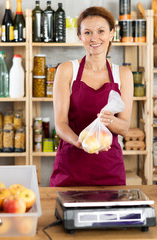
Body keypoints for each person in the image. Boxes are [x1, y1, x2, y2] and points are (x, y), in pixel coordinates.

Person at [50, 6, 133, 187]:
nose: (94, 38)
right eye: (87, 32)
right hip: (71, 164)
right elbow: (60, 124)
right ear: (80, 36)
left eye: (101, 31)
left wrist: (110, 120)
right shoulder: (66, 70)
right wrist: (79, 142)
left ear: (112, 33)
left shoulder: (124, 75)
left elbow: (124, 127)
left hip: (109, 168)